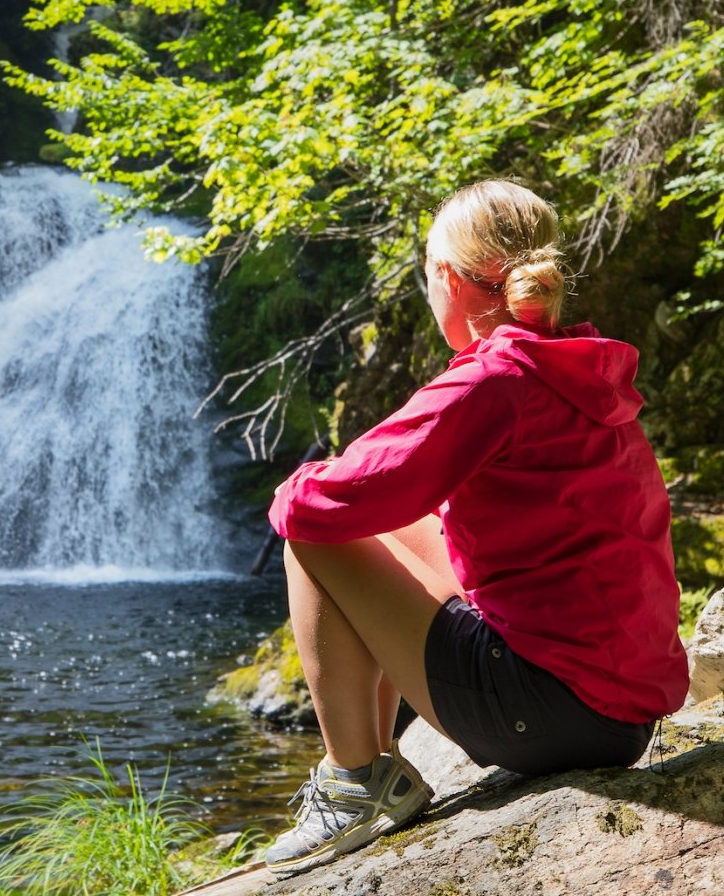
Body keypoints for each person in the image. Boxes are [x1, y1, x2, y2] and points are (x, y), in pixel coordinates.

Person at [259, 179, 689, 876]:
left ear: (446, 279)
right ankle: (377, 772)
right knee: (395, 525)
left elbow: (317, 507)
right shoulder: (574, 364)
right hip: (619, 711)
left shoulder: (491, 383)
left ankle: (356, 780)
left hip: (552, 713)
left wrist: (292, 490)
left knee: (313, 533)